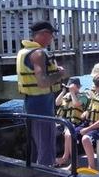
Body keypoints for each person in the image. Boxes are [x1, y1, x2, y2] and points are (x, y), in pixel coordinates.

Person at [16, 21, 66, 166]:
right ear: (43, 34)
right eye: (51, 34)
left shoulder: (24, 51)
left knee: (35, 143)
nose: (52, 38)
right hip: (41, 104)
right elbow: (43, 82)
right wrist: (60, 74)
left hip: (29, 102)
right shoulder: (38, 53)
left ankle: (33, 173)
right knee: (46, 142)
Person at [54, 77, 89, 166]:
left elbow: (76, 104)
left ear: (79, 87)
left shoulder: (83, 97)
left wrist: (72, 92)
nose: (70, 89)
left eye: (73, 87)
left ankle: (71, 160)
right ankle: (50, 157)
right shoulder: (67, 96)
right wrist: (63, 92)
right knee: (48, 130)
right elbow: (57, 103)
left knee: (68, 134)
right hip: (63, 122)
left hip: (76, 123)